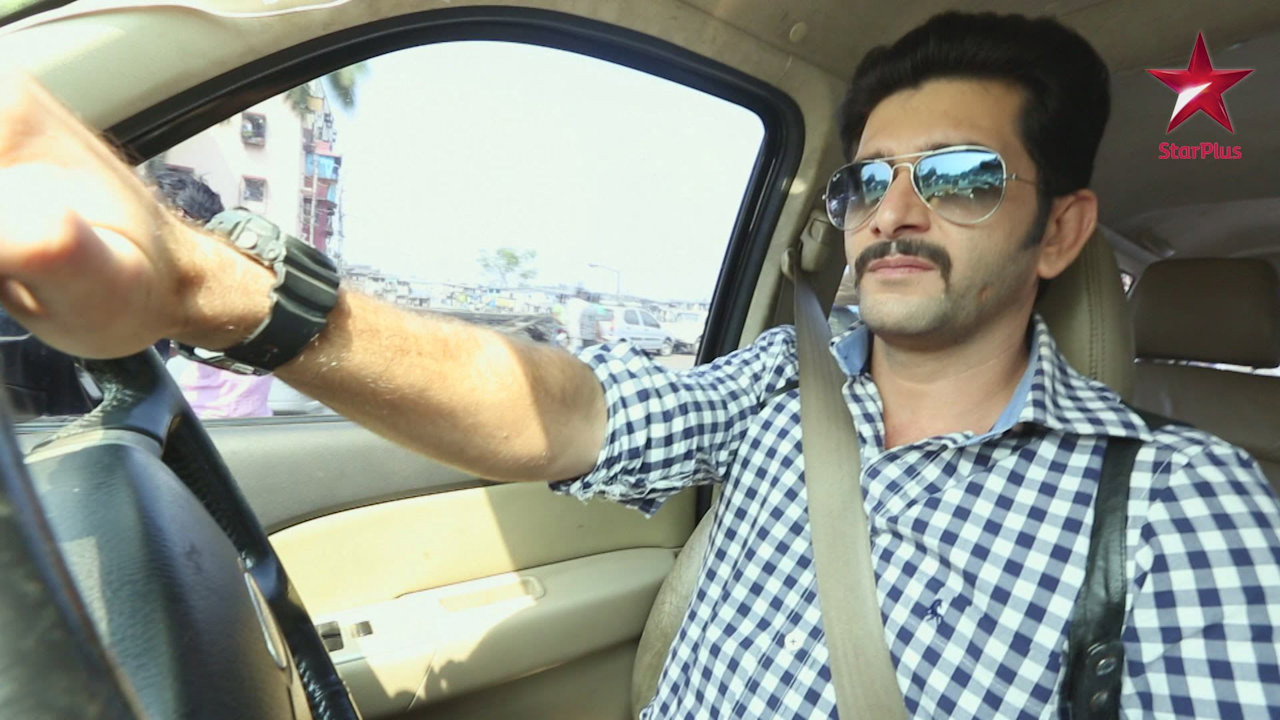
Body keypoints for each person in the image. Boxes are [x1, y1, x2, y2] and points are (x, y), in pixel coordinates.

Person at [0, 11, 1277, 718]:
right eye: (866, 181)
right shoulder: (782, 385)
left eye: (957, 177)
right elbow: (562, 413)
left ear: (1057, 230)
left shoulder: (1182, 503)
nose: (891, 212)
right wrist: (219, 292)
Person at [147, 170, 276, 419]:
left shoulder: (201, 283)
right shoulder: (247, 275)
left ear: (179, 218)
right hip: (242, 425)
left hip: (203, 426)